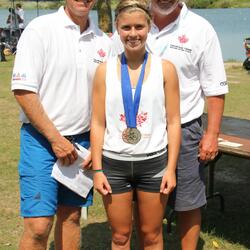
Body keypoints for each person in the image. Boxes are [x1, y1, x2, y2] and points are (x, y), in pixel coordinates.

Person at [112, 0, 229, 249]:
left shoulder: (201, 28)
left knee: (187, 201)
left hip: (185, 128)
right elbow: (113, 77)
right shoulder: (133, 24)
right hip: (140, 131)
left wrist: (212, 134)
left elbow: (215, 87)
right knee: (138, 202)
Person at [11, 0, 112, 249]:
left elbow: (108, 99)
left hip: (83, 144)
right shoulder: (40, 30)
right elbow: (24, 91)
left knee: (71, 217)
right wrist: (56, 140)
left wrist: (97, 148)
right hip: (42, 141)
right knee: (39, 226)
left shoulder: (103, 41)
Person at [91, 1, 181, 249]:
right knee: (120, 236)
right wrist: (97, 170)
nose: (133, 34)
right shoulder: (103, 71)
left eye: (139, 27)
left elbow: (173, 122)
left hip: (154, 165)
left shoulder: (166, 69)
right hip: (114, 165)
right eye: (126, 27)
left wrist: (171, 168)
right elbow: (98, 123)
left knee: (151, 235)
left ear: (149, 28)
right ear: (117, 30)